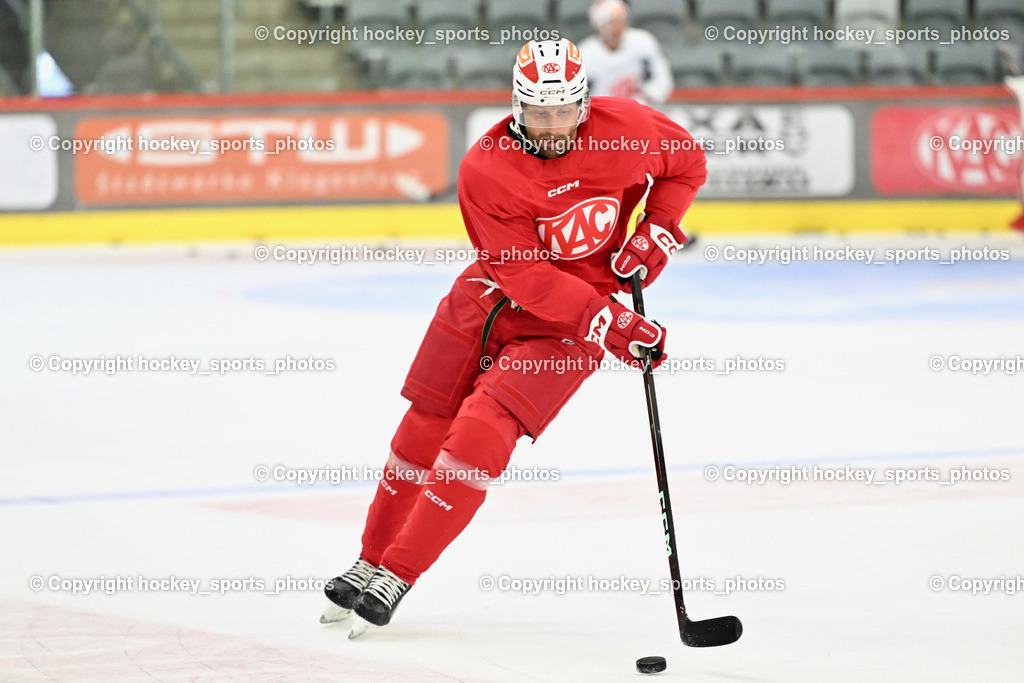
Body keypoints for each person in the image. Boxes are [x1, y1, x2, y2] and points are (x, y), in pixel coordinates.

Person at [322, 38, 706, 634]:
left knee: (481, 433)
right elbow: (526, 275)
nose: (552, 126)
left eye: (564, 111)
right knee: (421, 432)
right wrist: (613, 324)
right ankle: (366, 560)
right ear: (516, 107)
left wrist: (657, 230)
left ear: (583, 103)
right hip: (487, 301)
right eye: (538, 113)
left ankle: (398, 572)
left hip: (563, 334)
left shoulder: (628, 128)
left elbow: (686, 163)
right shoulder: (486, 167)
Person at [577, 0, 674, 106]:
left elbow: (662, 79)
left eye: (621, 20)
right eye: (611, 22)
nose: (618, 26)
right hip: (605, 113)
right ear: (598, 25)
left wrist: (647, 99)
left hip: (643, 108)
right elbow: (579, 97)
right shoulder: (584, 54)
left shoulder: (643, 41)